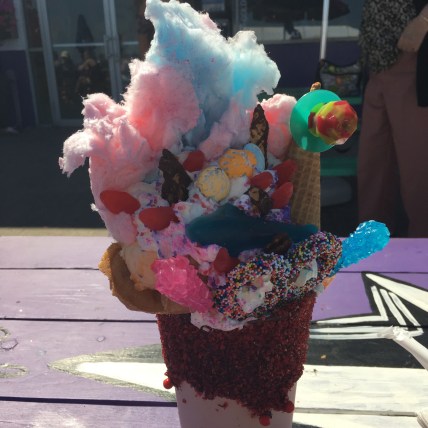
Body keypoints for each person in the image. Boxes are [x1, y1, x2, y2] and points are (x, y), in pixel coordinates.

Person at [357, 0, 428, 237]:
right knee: (373, 167)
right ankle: (372, 243)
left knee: (417, 172)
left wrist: (424, 21)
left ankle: (421, 251)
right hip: (377, 64)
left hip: (415, 63)